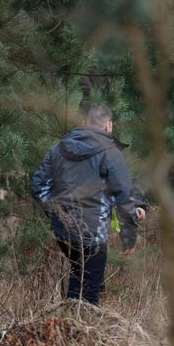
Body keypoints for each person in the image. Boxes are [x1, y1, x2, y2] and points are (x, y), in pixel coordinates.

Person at [31, 104, 142, 305]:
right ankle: (81, 332)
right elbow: (123, 194)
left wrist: (57, 214)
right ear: (108, 125)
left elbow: (38, 187)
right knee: (90, 292)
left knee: (77, 277)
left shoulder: (58, 148)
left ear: (84, 123)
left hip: (63, 232)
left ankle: (68, 329)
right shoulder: (111, 153)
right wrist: (129, 236)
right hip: (93, 234)